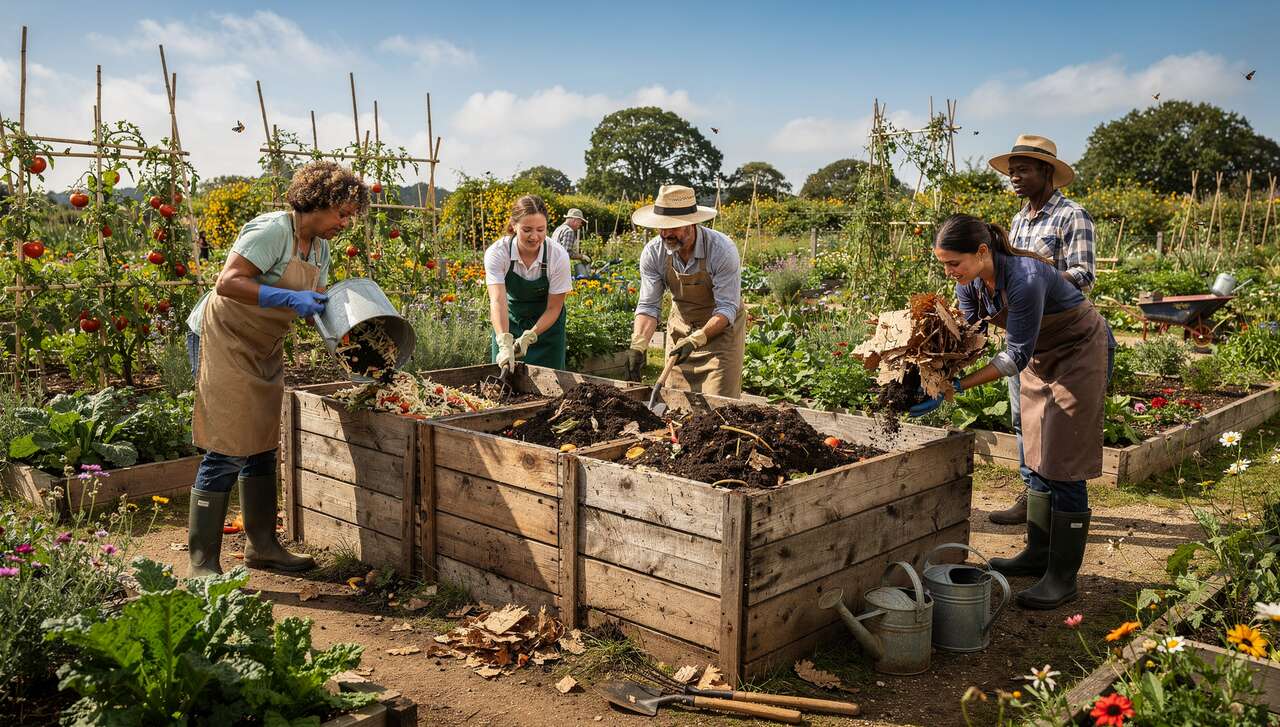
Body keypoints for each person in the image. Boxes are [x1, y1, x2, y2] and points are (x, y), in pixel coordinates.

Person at [911, 214, 1113, 609]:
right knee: (1035, 452)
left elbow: (1014, 355)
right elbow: (971, 337)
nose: (949, 272)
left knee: (1064, 462)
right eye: (944, 264)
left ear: (982, 252)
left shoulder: (1026, 276)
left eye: (954, 263)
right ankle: (1038, 554)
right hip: (1042, 356)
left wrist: (958, 387)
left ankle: (1062, 577)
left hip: (1079, 350)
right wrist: (934, 370)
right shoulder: (971, 284)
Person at [185, 160, 367, 578]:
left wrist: (348, 333)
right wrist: (289, 300)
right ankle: (202, 563)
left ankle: (262, 546)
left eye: (351, 217)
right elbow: (227, 282)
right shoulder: (272, 231)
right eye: (342, 213)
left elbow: (310, 306)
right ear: (319, 201)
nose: (345, 223)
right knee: (228, 445)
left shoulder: (320, 249)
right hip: (223, 337)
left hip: (261, 346)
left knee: (263, 443)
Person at [986, 135, 1099, 525]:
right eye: (1012, 171)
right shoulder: (1018, 220)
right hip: (1024, 334)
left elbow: (1084, 276)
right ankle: (1033, 495)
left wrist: (1038, 284)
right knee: (1022, 418)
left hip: (1063, 334)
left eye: (1023, 170)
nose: (1014, 177)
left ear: (1046, 171)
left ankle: (1058, 504)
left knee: (1059, 427)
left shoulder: (1071, 215)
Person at [624, 184, 745, 397]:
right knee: (676, 401)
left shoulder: (721, 250)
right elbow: (649, 305)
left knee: (719, 402)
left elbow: (727, 308)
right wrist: (639, 343)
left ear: (692, 223)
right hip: (681, 328)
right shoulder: (654, 253)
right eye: (662, 227)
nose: (666, 234)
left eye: (673, 227)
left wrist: (697, 339)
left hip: (720, 335)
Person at [485, 195, 572, 371]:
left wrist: (531, 336)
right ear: (513, 225)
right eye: (527, 230)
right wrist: (503, 341)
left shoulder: (557, 256)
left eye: (541, 229)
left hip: (547, 328)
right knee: (504, 380)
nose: (534, 237)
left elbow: (554, 307)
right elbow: (497, 300)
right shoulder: (498, 253)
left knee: (551, 385)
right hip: (509, 322)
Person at [552, 208, 590, 275]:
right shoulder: (569, 231)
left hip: (552, 265)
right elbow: (566, 253)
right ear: (574, 220)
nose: (580, 225)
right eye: (580, 222)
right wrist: (581, 256)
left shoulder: (558, 229)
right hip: (559, 268)